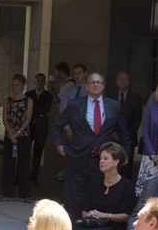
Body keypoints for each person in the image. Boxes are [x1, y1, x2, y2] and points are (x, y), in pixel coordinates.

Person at [51, 72, 131, 219]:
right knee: (75, 197)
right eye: (92, 82)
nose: (95, 85)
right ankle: (73, 228)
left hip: (102, 161)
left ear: (103, 86)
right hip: (77, 158)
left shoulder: (113, 105)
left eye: (99, 82)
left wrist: (125, 154)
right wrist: (59, 146)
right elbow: (57, 125)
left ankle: (92, 228)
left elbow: (124, 133)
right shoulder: (75, 104)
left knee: (97, 195)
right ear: (86, 86)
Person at [74, 142, 135, 230]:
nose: (101, 161)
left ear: (116, 162)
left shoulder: (126, 185)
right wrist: (89, 215)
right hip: (94, 225)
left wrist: (105, 215)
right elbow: (84, 209)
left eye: (106, 158)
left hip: (114, 227)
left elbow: (127, 215)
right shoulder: (95, 182)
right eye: (100, 158)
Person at [1, 73, 33, 202]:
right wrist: (10, 133)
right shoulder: (7, 101)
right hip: (9, 136)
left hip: (23, 135)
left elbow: (28, 118)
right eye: (13, 85)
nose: (15, 87)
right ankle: (8, 192)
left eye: (18, 85)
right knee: (8, 164)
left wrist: (18, 133)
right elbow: (5, 118)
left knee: (24, 164)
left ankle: (25, 194)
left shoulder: (28, 100)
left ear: (23, 85)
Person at [27, 73, 54, 186]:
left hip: (41, 127)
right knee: (24, 153)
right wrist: (33, 116)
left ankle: (34, 177)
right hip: (28, 126)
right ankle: (21, 176)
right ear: (34, 81)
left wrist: (33, 114)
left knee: (38, 154)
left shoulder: (49, 95)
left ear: (45, 82)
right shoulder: (28, 94)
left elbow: (44, 109)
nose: (40, 82)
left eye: (42, 80)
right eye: (38, 80)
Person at [115, 71, 142, 181]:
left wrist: (125, 135)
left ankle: (126, 192)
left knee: (127, 168)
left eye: (126, 79)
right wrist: (113, 132)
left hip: (128, 138)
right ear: (117, 82)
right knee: (113, 166)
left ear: (129, 82)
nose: (123, 81)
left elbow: (137, 119)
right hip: (112, 137)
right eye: (121, 79)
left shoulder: (135, 97)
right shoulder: (110, 96)